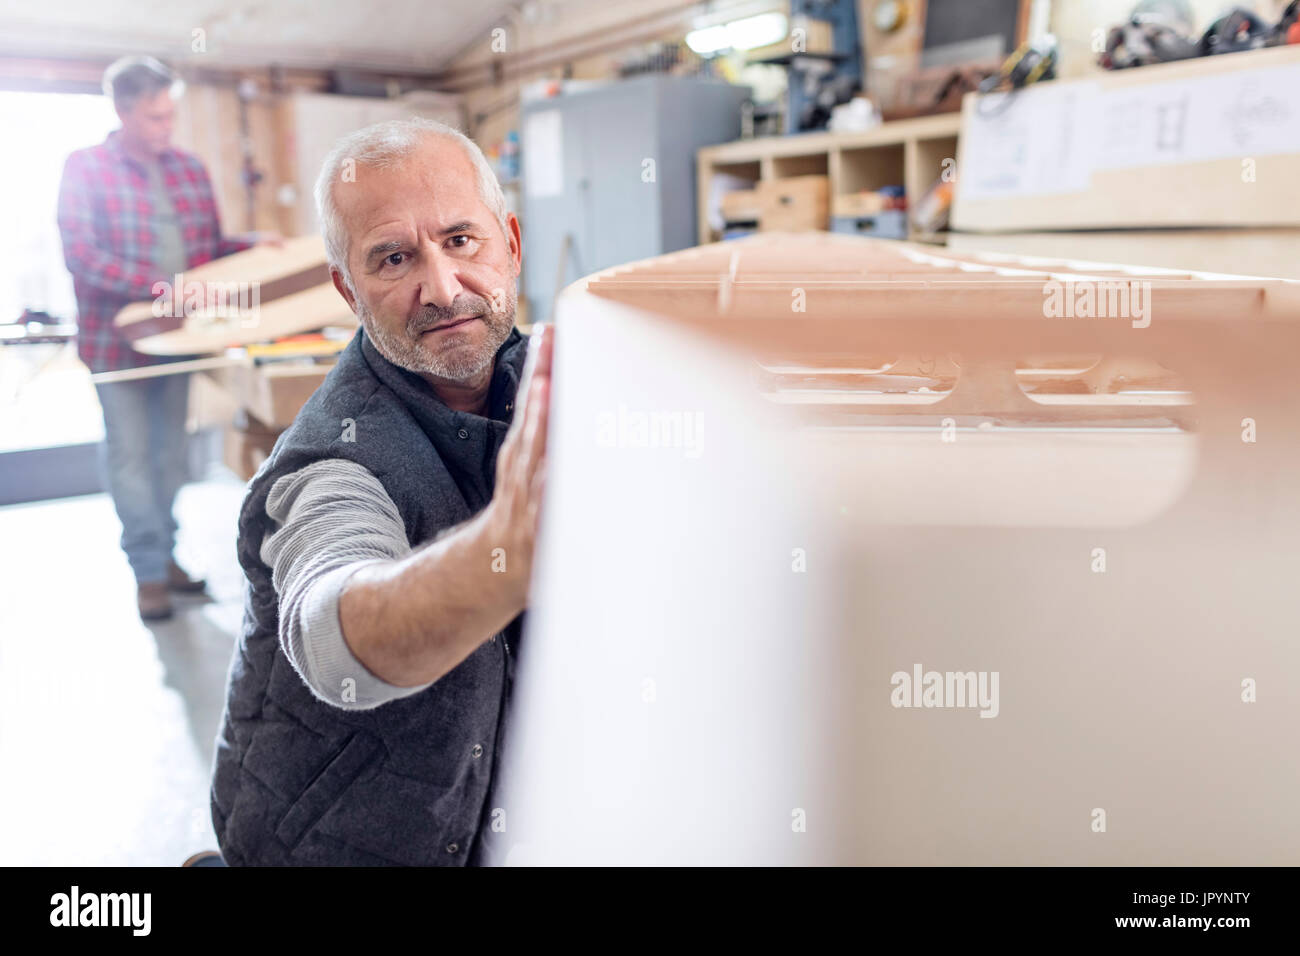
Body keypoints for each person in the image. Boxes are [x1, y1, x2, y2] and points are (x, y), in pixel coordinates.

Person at [210, 117, 553, 866]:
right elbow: (332, 634)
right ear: (347, 286)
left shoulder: (552, 383)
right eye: (394, 258)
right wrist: (510, 549)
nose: (442, 287)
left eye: (461, 240)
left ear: (512, 245)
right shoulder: (330, 459)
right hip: (329, 844)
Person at [57, 55, 276, 620]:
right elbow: (83, 258)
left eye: (169, 116)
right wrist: (163, 289)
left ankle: (168, 554)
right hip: (116, 348)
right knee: (130, 459)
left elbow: (208, 249)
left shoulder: (187, 167)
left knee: (172, 458)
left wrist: (253, 244)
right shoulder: (85, 167)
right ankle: (149, 572)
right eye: (155, 118)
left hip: (181, 342)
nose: (166, 128)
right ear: (123, 111)